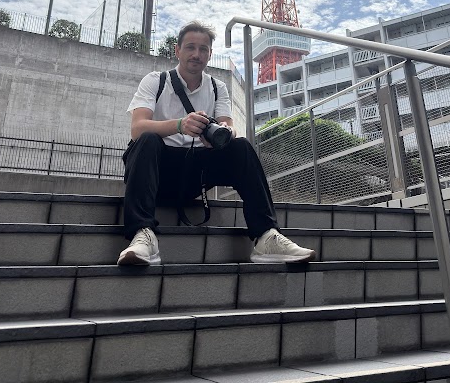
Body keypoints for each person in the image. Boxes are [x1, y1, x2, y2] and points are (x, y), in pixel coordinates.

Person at [117, 20, 315, 265]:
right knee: (147, 139)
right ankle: (142, 235)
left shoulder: (217, 87)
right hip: (157, 174)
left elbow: (228, 126)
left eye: (203, 49)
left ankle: (266, 235)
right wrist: (180, 125)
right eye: (190, 47)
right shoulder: (156, 81)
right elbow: (137, 128)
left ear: (210, 54)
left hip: (196, 174)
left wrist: (223, 135)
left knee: (241, 146)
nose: (196, 54)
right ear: (177, 50)